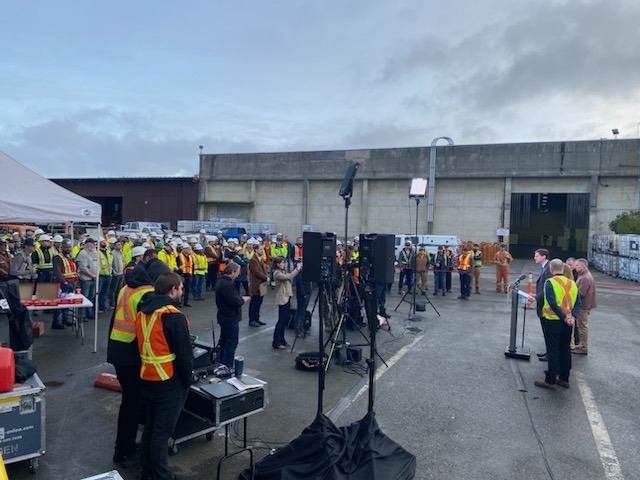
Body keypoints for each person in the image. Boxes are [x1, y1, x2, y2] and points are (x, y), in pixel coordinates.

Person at [136, 272, 192, 480]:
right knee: (161, 433)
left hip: (147, 377)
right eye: (180, 289)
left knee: (150, 428)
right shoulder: (174, 317)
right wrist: (187, 381)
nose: (181, 292)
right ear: (172, 290)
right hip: (169, 382)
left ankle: (147, 471)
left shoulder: (142, 312)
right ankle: (162, 475)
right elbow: (185, 355)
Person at [107, 259, 156, 468]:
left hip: (118, 349)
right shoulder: (146, 293)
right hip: (132, 353)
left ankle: (122, 447)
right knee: (132, 403)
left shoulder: (126, 288)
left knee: (130, 401)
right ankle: (126, 450)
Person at [534, 259, 581, 390]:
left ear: (551, 269)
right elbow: (578, 303)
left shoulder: (550, 282)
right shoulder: (572, 283)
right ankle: (564, 378)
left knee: (553, 350)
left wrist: (563, 317)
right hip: (568, 322)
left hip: (553, 320)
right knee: (565, 349)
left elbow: (552, 303)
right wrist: (572, 317)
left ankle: (550, 380)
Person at [215, 263, 250, 367]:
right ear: (232, 272)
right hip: (229, 317)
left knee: (224, 342)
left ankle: (222, 362)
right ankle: (228, 365)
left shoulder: (223, 282)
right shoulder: (227, 285)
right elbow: (235, 301)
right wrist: (243, 299)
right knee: (231, 343)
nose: (238, 275)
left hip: (225, 316)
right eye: (237, 273)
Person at [272, 255, 302, 349]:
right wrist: (297, 269)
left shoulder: (282, 271)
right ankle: (277, 341)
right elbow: (289, 276)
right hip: (282, 298)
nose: (284, 264)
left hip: (286, 297)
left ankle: (282, 340)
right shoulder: (277, 273)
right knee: (281, 321)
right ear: (277, 264)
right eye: (282, 263)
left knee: (284, 320)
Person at [51, 239, 78, 329]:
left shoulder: (69, 257)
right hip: (62, 284)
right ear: (62, 247)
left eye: (69, 247)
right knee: (59, 303)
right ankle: (56, 322)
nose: (68, 248)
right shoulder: (58, 257)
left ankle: (65, 319)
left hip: (71, 283)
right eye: (66, 247)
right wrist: (64, 281)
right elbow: (57, 272)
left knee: (67, 303)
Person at [572, 258, 597, 355]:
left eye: (577, 265)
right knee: (581, 325)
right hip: (584, 305)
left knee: (582, 326)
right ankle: (582, 345)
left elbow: (581, 293)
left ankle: (583, 347)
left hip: (583, 305)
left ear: (583, 266)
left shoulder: (585, 278)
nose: (575, 267)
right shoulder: (583, 275)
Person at [534, 248, 552, 361]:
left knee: (548, 331)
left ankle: (550, 354)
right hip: (541, 302)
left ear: (544, 256)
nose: (534, 258)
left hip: (545, 303)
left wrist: (537, 297)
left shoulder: (548, 268)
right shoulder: (544, 268)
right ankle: (548, 352)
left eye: (537, 256)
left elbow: (547, 288)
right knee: (545, 331)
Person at [76, 238, 99, 321]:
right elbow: (82, 267)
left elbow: (96, 262)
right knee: (85, 297)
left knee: (91, 297)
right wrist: (91, 275)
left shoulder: (92, 253)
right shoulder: (83, 253)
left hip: (93, 278)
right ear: (87, 244)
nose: (94, 245)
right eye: (92, 244)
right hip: (86, 279)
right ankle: (82, 315)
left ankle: (89, 313)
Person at [248, 242, 268, 328]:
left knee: (259, 303)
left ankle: (257, 318)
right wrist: (266, 277)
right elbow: (256, 272)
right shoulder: (253, 260)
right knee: (254, 303)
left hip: (261, 284)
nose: (262, 251)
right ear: (256, 250)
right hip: (256, 284)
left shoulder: (260, 259)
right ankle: (252, 320)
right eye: (260, 249)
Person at [98, 239, 114, 313]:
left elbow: (110, 262)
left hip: (108, 274)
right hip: (101, 275)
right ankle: (98, 307)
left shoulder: (108, 252)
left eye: (104, 241)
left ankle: (102, 306)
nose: (104, 243)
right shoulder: (97, 252)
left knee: (104, 292)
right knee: (99, 292)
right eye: (102, 242)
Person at [109, 239, 125, 310]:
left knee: (119, 289)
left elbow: (123, 262)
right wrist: (114, 272)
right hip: (116, 274)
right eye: (118, 245)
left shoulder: (121, 253)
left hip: (121, 273)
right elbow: (111, 263)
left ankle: (117, 302)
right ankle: (112, 303)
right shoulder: (112, 253)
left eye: (121, 244)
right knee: (113, 289)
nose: (120, 246)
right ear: (114, 246)